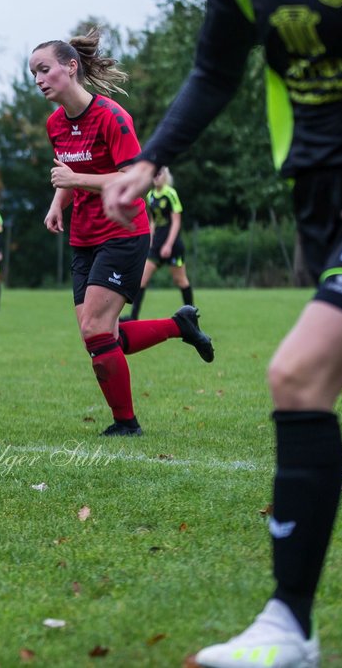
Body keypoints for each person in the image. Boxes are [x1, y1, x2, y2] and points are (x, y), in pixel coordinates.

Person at [103, 0, 342, 664]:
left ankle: (289, 626)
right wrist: (152, 159)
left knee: (299, 372)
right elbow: (215, 68)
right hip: (321, 197)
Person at [35, 28, 214, 438]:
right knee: (101, 335)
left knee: (96, 330)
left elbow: (136, 178)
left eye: (45, 70)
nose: (40, 80)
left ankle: (126, 424)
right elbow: (67, 176)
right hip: (83, 237)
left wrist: (75, 180)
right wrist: (55, 205)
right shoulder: (55, 124)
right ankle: (179, 326)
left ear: (71, 67)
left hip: (124, 231)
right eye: (34, 74)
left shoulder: (113, 116)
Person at [124, 168, 194, 321]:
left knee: (180, 280)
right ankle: (133, 317)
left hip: (173, 245)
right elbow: (153, 221)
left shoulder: (171, 194)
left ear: (165, 176)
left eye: (159, 173)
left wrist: (168, 245)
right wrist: (149, 241)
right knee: (142, 279)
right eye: (154, 173)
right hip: (156, 246)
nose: (156, 176)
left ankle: (191, 317)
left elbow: (176, 222)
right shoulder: (150, 196)